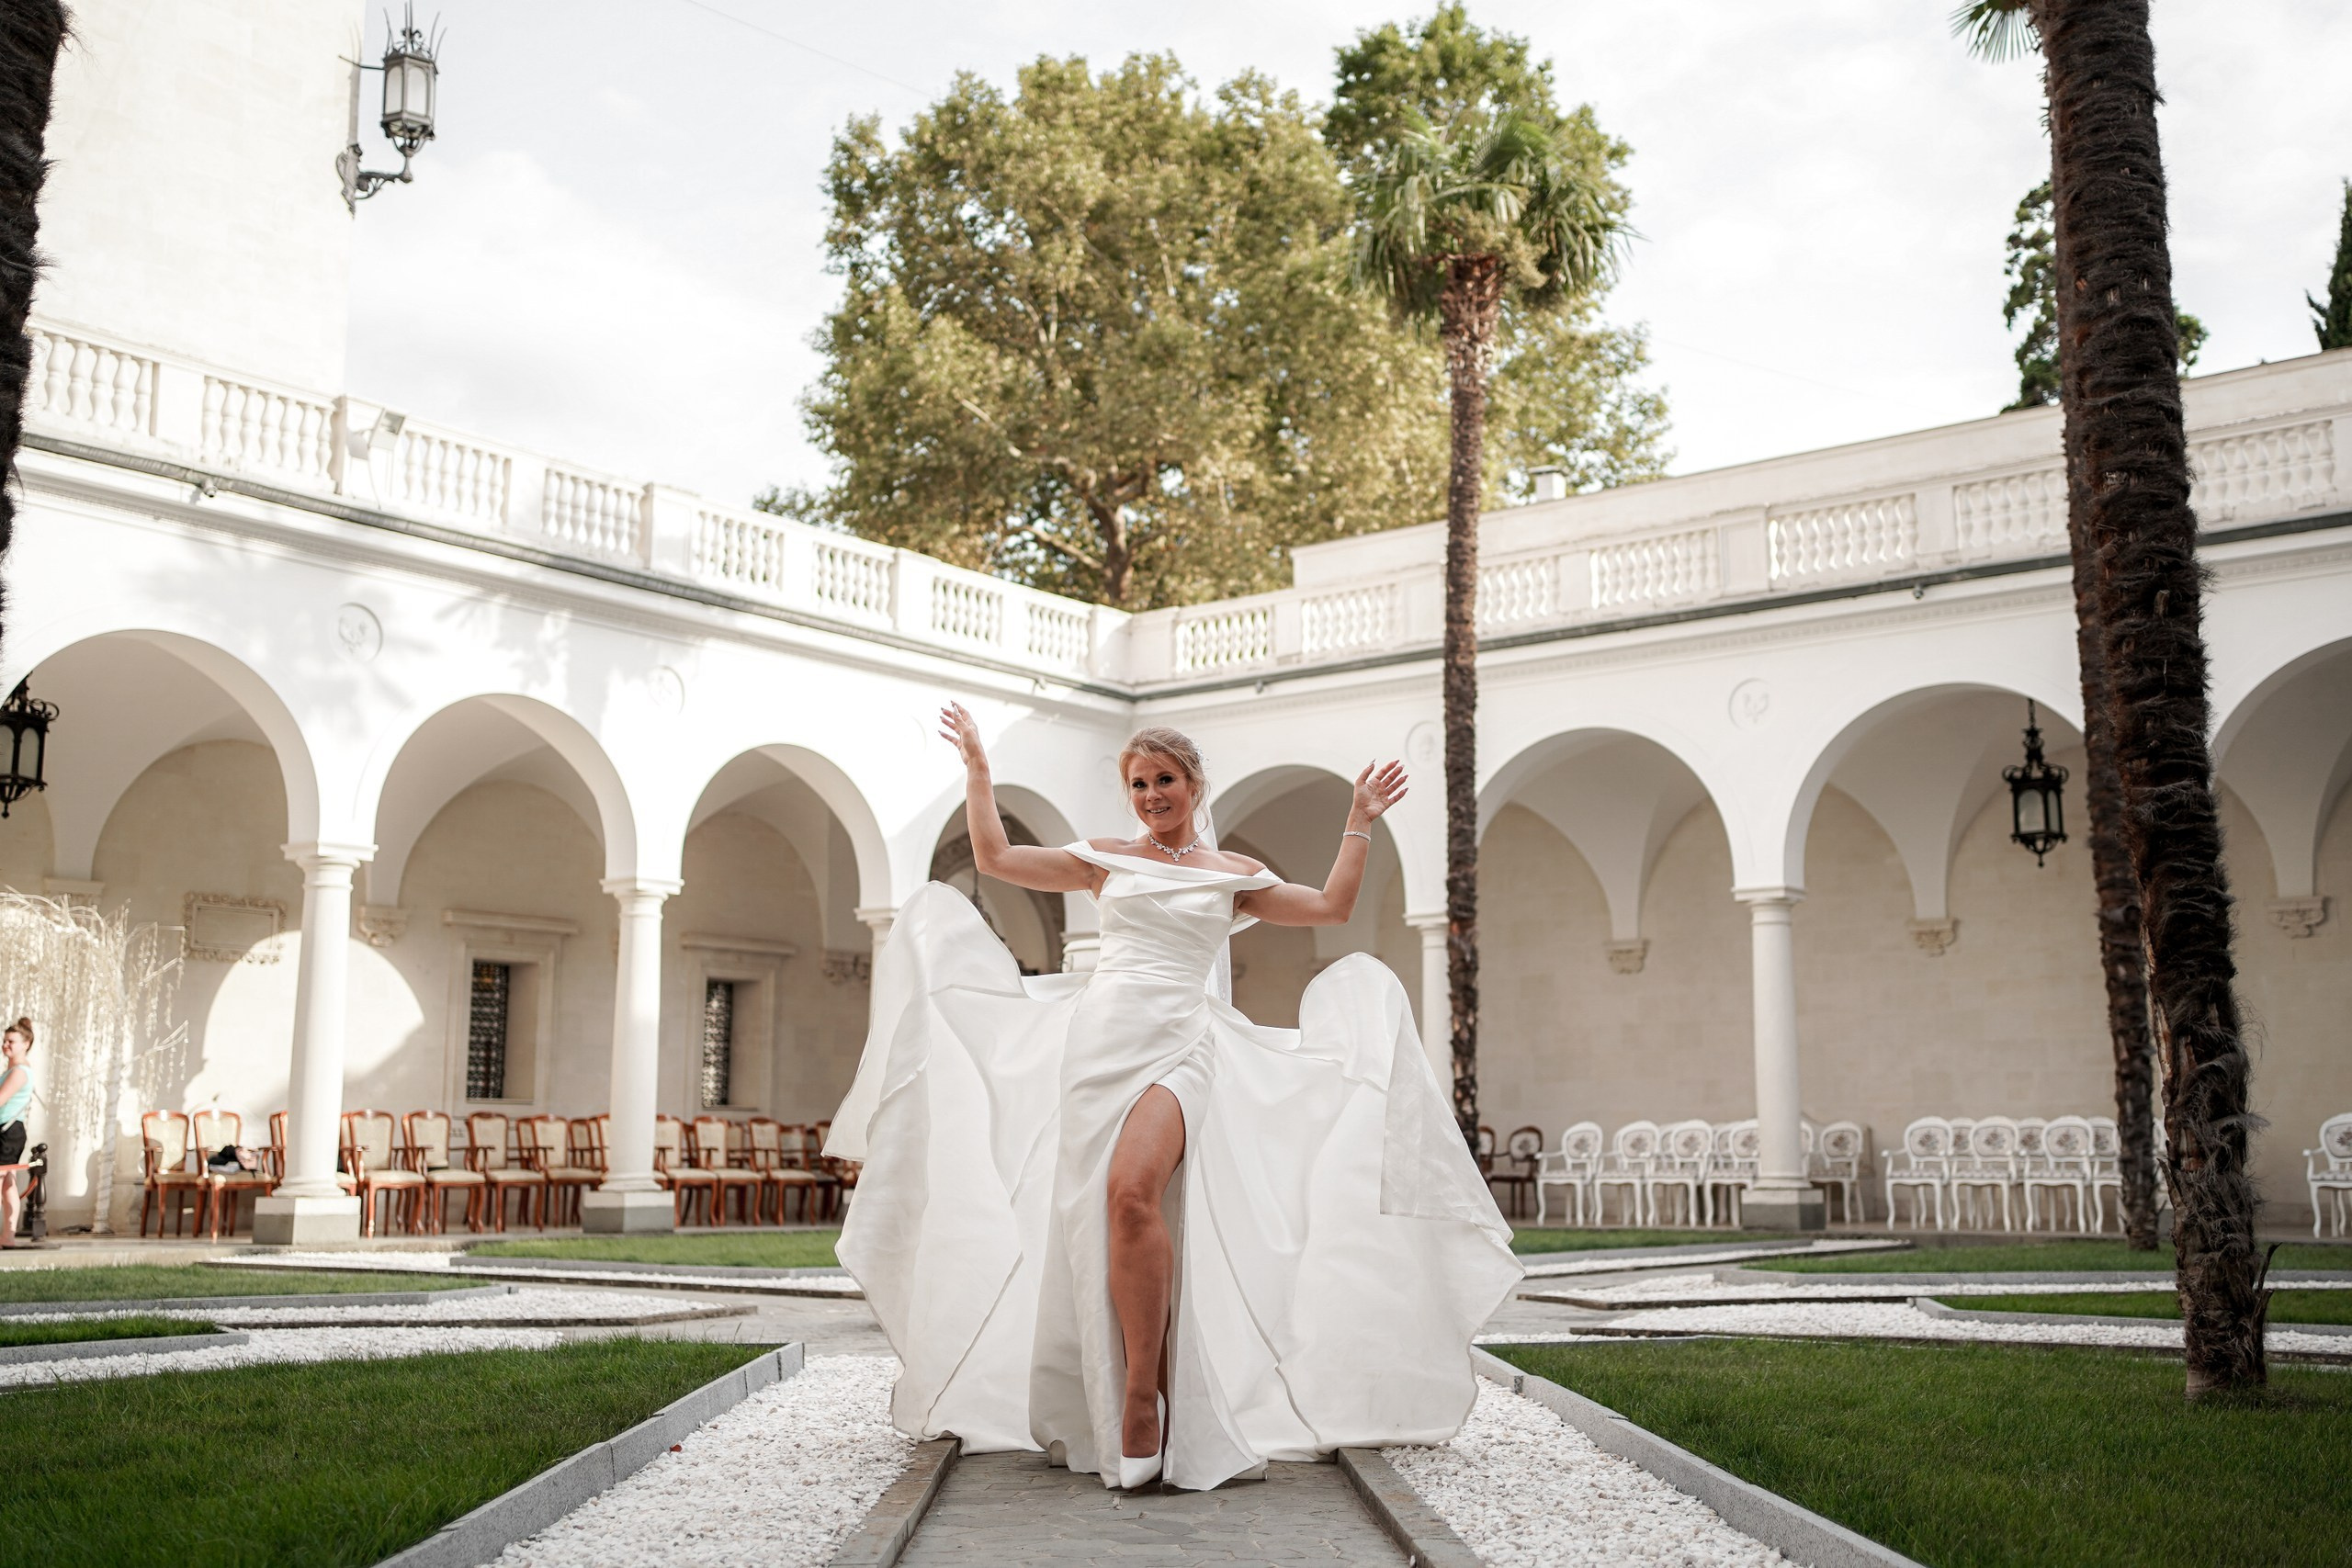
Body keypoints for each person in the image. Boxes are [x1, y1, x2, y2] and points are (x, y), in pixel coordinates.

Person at [828, 710, 1520, 1492]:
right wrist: (980, 771)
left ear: (1194, 784)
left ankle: (1142, 1397)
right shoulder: (1104, 861)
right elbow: (994, 855)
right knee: (1097, 1215)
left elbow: (1329, 906)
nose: (1152, 794)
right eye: (1139, 783)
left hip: (1183, 1045)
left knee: (1131, 1194)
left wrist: (1358, 821)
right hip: (1097, 1048)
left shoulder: (1232, 873)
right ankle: (1113, 1386)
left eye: (1165, 780)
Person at [0, 1019, 33, 1249]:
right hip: (8, 1130)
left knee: (3, 1181)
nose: (5, 1045)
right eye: (4, 1041)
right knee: (8, 1183)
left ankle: (7, 1235)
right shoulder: (13, 1070)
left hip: (8, 1133)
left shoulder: (20, 1072)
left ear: (26, 1043)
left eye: (11, 1041)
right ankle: (8, 1237)